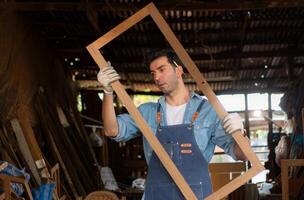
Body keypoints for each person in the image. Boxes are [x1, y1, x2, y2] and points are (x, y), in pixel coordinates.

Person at [97, 49, 247, 200]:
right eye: (153, 73)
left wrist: (240, 133)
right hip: (157, 195)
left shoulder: (208, 111)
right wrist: (108, 92)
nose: (157, 77)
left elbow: (243, 154)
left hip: (196, 196)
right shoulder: (147, 112)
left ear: (179, 70)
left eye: (162, 69)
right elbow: (111, 131)